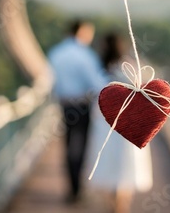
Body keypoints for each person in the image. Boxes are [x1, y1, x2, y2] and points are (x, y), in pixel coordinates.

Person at [86, 33, 153, 213]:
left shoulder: (99, 69)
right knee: (126, 166)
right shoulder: (130, 67)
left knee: (108, 164)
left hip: (104, 124)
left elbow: (93, 95)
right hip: (128, 125)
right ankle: (122, 206)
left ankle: (113, 206)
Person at [48, 19, 108, 203]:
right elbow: (97, 84)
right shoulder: (86, 55)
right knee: (80, 146)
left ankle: (72, 187)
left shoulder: (56, 52)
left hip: (65, 105)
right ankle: (77, 189)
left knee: (68, 145)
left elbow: (49, 79)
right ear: (82, 32)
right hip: (82, 105)